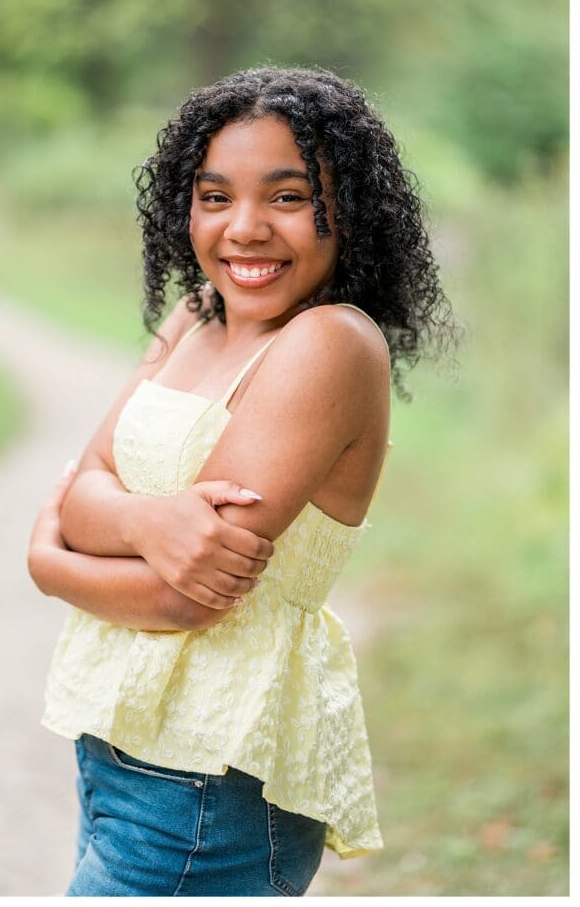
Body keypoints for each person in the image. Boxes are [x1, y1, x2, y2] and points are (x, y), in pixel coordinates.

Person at [27, 66, 459, 896]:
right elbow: (85, 482)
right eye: (216, 196)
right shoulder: (193, 315)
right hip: (120, 748)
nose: (245, 230)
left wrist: (49, 561)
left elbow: (186, 596)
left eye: (289, 198)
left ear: (349, 213)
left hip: (209, 786)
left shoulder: (330, 343)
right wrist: (148, 526)